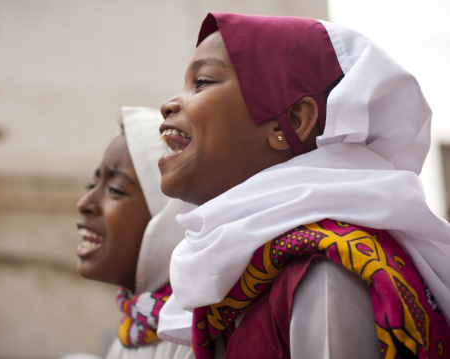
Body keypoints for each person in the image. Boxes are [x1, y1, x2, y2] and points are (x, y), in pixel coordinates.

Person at [156, 13, 450, 359]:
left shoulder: (325, 271)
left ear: (293, 121)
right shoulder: (236, 269)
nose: (168, 104)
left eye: (202, 82)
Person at [75, 106, 195, 359]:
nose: (84, 203)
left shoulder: (192, 336)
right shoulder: (136, 328)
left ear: (169, 221)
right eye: (92, 185)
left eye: (116, 190)